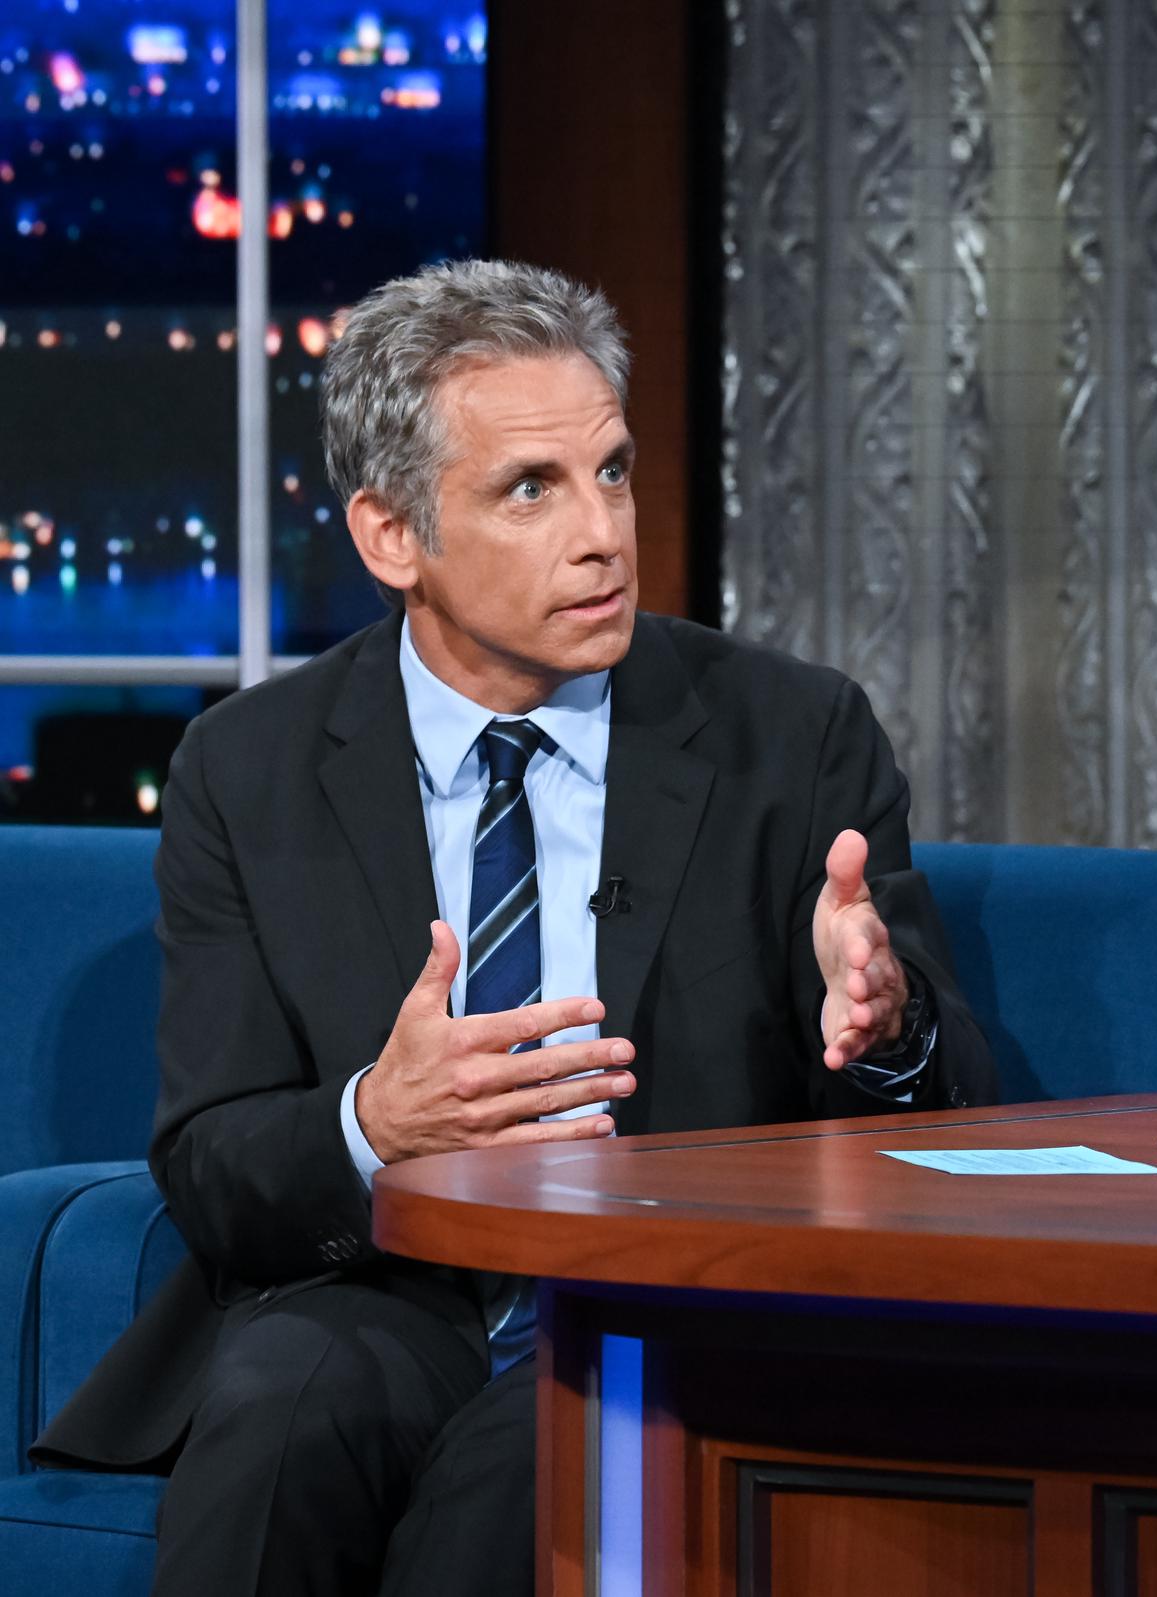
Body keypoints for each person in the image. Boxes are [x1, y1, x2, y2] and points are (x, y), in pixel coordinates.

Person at [33, 259, 999, 1594]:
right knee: (276, 1422)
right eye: (531, 490)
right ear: (391, 538)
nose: (603, 533)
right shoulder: (245, 769)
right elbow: (212, 1159)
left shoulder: (792, 735)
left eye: (612, 472)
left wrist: (885, 1025)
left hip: (666, 1303)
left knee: (531, 1464)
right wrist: (378, 1121)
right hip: (377, 1291)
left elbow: (951, 1103)